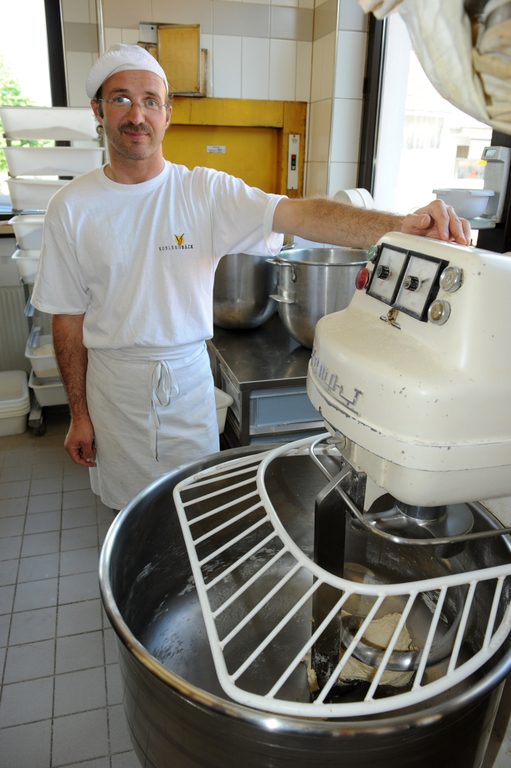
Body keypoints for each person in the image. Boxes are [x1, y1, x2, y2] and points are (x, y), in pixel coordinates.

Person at [31, 44, 471, 512]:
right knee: (130, 515)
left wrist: (403, 226)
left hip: (185, 389)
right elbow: (67, 318)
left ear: (167, 113)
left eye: (151, 101)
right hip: (112, 392)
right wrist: (79, 414)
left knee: (195, 509)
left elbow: (301, 215)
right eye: (121, 99)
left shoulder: (202, 191)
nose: (137, 115)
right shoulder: (71, 207)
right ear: (98, 110)